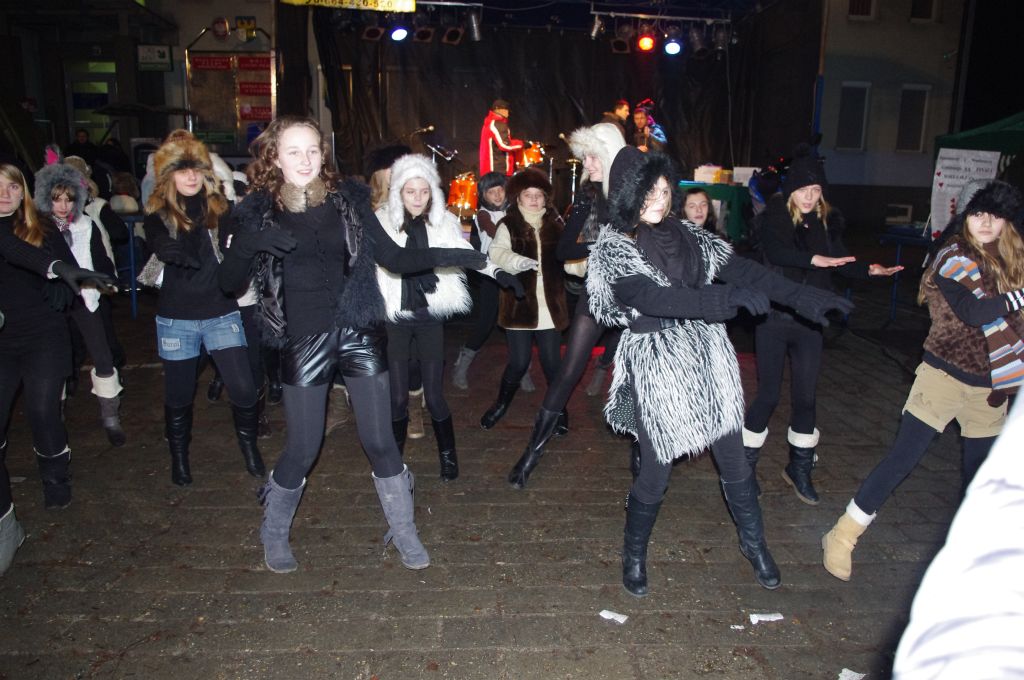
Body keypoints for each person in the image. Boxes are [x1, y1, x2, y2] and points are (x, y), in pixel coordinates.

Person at [219, 115, 485, 574]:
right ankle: (273, 531)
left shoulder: (349, 200)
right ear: (275, 157)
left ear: (323, 153)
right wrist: (249, 244)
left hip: (358, 331)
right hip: (303, 338)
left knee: (380, 440)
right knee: (303, 448)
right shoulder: (257, 211)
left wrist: (454, 255)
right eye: (294, 151)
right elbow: (228, 283)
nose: (305, 160)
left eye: (313, 150)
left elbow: (394, 257)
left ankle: (404, 530)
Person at [586, 149, 853, 596]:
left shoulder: (689, 234)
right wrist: (720, 301)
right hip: (659, 363)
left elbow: (744, 269)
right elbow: (651, 298)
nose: (659, 200)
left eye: (665, 191)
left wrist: (801, 297)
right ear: (628, 194)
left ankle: (755, 543)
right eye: (649, 192)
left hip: (709, 358)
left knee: (733, 458)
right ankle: (633, 553)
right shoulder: (613, 247)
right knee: (656, 470)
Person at [822, 179, 1024, 582]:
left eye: (995, 216)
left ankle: (972, 554)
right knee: (903, 460)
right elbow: (975, 312)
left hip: (991, 387)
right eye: (978, 214)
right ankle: (842, 535)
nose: (986, 223)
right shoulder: (953, 256)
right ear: (964, 216)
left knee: (981, 478)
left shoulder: (1012, 261)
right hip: (942, 377)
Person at [742, 149, 902, 505]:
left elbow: (840, 260)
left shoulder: (826, 222)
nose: (810, 197)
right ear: (791, 190)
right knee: (768, 395)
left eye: (816, 190)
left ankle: (798, 469)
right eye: (804, 190)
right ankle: (743, 468)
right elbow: (777, 253)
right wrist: (814, 259)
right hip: (774, 317)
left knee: (806, 398)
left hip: (810, 319)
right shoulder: (775, 218)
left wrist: (869, 270)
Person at [0, 163, 116, 576]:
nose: (4, 193)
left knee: (42, 409)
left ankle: (55, 477)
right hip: (3, 340)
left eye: (11, 186)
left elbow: (64, 265)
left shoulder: (42, 227)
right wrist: (55, 270)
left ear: (23, 192)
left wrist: (61, 286)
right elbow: (17, 253)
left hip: (43, 335)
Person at [375, 154, 520, 480]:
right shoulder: (381, 221)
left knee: (435, 396)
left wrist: (498, 272)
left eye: (423, 191)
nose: (417, 198)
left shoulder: (443, 222)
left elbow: (465, 253)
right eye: (410, 191)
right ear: (398, 191)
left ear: (432, 192)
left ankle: (448, 457)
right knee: (397, 398)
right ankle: (392, 465)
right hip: (396, 318)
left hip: (429, 317)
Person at [503, 122, 625, 488]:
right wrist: (605, 243)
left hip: (636, 293)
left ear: (610, 153)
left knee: (640, 371)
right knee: (569, 368)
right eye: (584, 156)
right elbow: (565, 249)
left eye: (593, 156)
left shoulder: (636, 193)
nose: (587, 163)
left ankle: (644, 459)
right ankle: (531, 453)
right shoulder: (589, 197)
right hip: (597, 289)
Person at [143, 130, 265, 486]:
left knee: (243, 388)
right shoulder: (158, 214)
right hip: (176, 317)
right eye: (183, 170)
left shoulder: (220, 209)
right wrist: (167, 248)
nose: (191, 177)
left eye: (196, 169)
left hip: (220, 311)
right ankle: (179, 458)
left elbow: (236, 249)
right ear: (169, 176)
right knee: (179, 395)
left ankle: (250, 448)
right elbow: (157, 239)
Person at [33, 161, 126, 447]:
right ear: (46, 199)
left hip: (86, 298)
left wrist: (107, 280)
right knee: (55, 360)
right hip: (52, 302)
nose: (63, 206)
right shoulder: (37, 228)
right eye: (57, 199)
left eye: (69, 199)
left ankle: (111, 417)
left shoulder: (86, 224)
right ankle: (55, 415)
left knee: (103, 356)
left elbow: (101, 259)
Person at [480, 168, 569, 431]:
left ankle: (558, 410)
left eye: (538, 195)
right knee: (518, 363)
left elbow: (569, 257)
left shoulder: (556, 226)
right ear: (518, 197)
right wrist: (517, 261)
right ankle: (500, 404)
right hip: (519, 304)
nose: (533, 200)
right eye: (528, 195)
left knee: (552, 363)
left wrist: (584, 264)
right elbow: (496, 252)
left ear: (545, 198)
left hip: (550, 306)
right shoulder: (508, 224)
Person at [452, 171, 508, 390]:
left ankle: (521, 368)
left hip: (512, 270)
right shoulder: (483, 214)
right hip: (490, 272)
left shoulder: (512, 211)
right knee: (486, 322)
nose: (497, 195)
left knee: (516, 323)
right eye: (491, 192)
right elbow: (497, 232)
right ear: (483, 195)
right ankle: (463, 364)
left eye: (500, 190)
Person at [479, 99, 524, 176]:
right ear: (499, 109)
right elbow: (505, 145)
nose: (508, 113)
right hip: (498, 169)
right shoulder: (498, 124)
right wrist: (522, 144)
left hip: (490, 170)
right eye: (506, 110)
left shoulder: (489, 123)